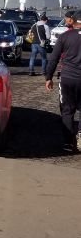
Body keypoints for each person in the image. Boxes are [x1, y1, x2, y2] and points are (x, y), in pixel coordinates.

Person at [45, 10, 81, 153]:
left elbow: (53, 58)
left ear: (74, 21)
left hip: (67, 78)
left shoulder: (65, 36)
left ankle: (67, 142)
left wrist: (48, 77)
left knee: (67, 110)